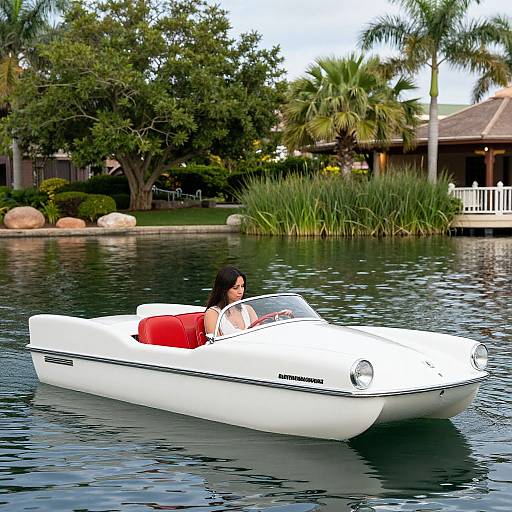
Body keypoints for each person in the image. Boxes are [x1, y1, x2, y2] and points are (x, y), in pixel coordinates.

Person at [204, 266, 258, 336]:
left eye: (242, 286)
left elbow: (259, 335)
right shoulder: (213, 313)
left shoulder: (248, 309)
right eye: (235, 288)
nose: (240, 291)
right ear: (224, 289)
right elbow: (217, 344)